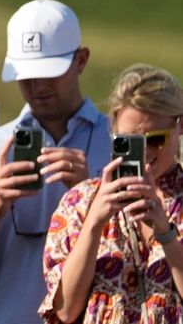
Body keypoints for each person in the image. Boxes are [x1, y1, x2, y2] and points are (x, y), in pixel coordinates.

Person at [0, 0, 112, 324]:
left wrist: (88, 194)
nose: (37, 86)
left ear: (81, 60)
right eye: (26, 75)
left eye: (49, 73)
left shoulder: (119, 144)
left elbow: (148, 249)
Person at [39, 64, 183, 324]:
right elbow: (64, 310)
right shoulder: (79, 202)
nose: (144, 152)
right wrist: (94, 222)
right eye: (128, 142)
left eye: (155, 139)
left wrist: (166, 233)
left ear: (180, 127)